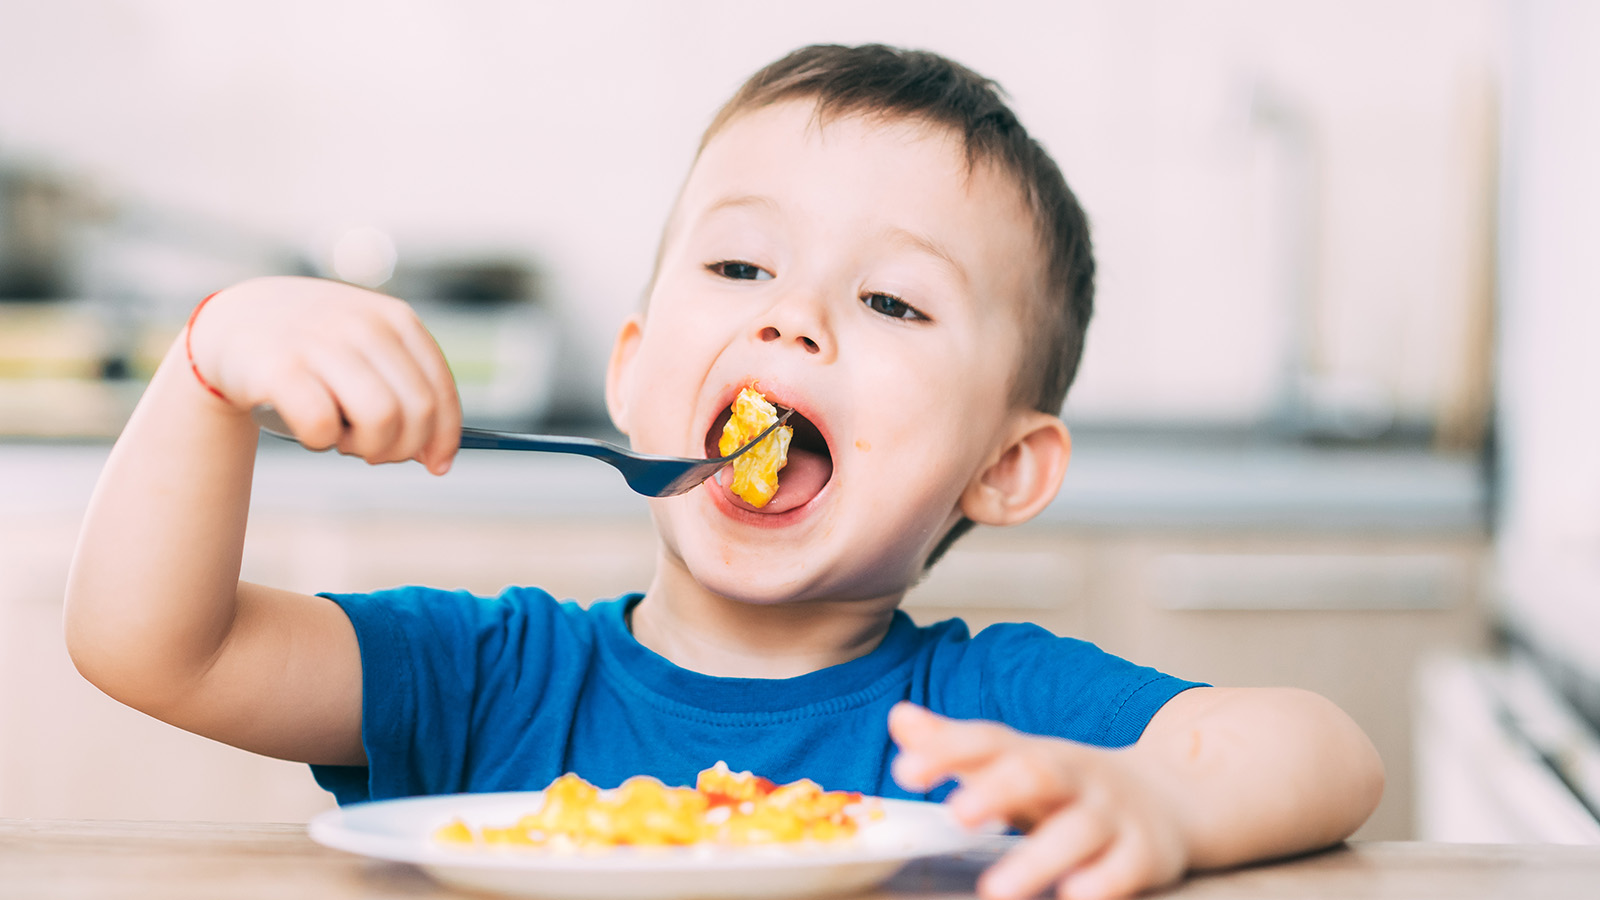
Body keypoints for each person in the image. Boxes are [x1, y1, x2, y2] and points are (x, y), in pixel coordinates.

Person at [65, 44, 1382, 900]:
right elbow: (152, 647)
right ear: (635, 372)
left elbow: (1326, 752)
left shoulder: (986, 717)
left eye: (890, 301)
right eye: (742, 268)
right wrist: (208, 368)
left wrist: (1161, 799)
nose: (791, 319)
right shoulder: (493, 684)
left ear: (1006, 467)